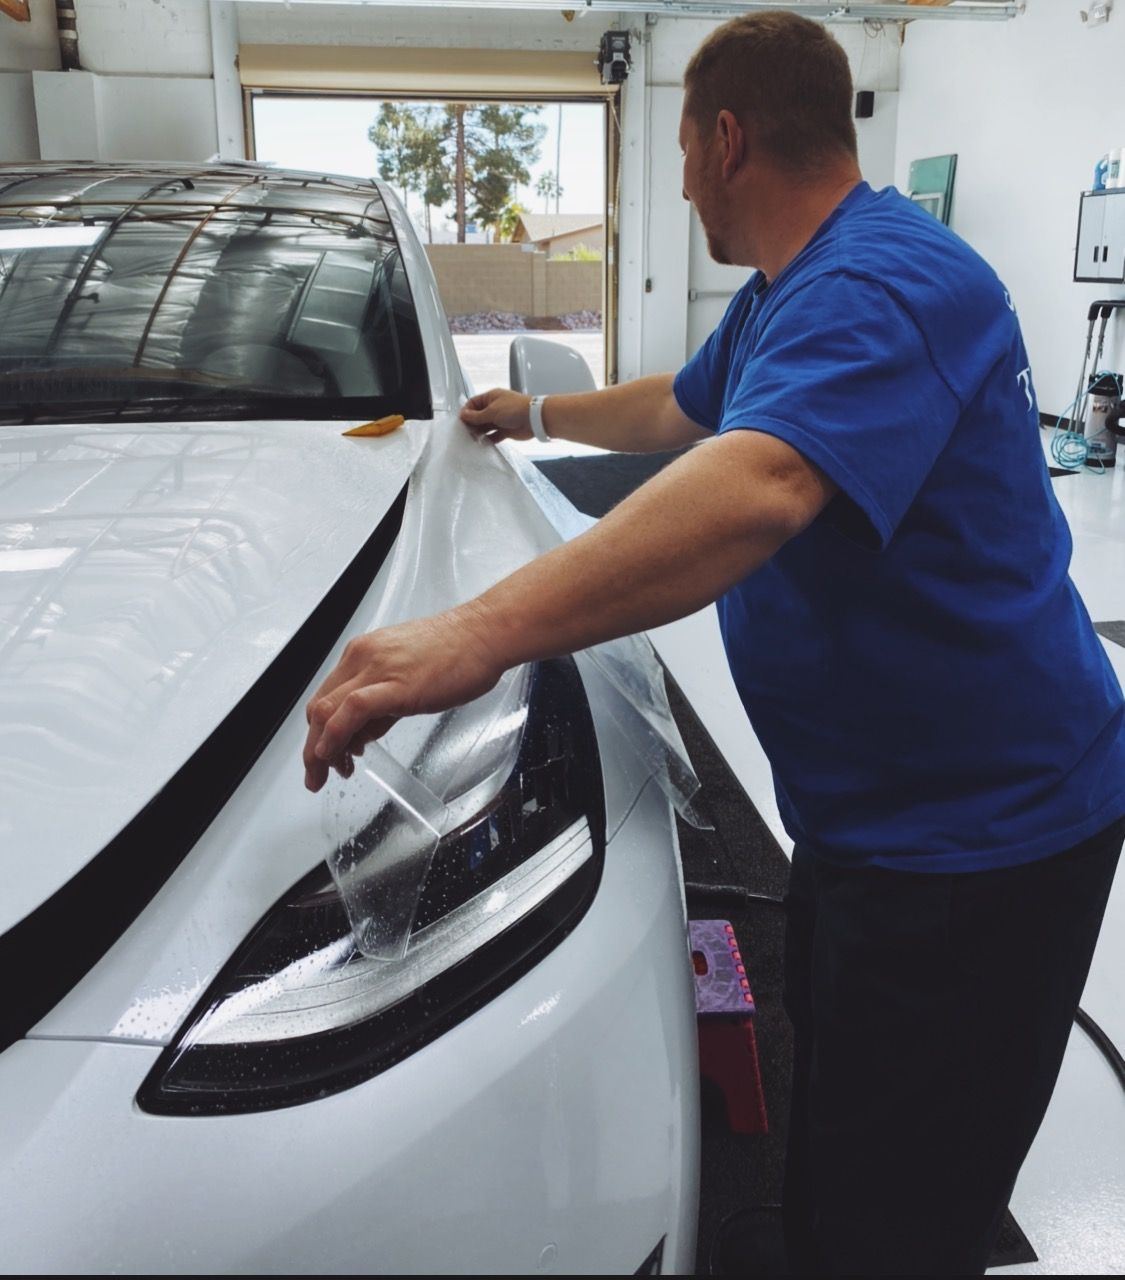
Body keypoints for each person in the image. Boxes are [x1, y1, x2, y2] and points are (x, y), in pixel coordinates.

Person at [303, 11, 1125, 1275]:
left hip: (983, 848)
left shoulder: (885, 285)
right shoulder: (789, 294)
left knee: (898, 1212)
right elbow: (687, 407)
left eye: (683, 150)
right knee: (841, 1130)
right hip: (882, 823)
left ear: (726, 138)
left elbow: (755, 481)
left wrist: (473, 634)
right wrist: (532, 408)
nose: (683, 182)